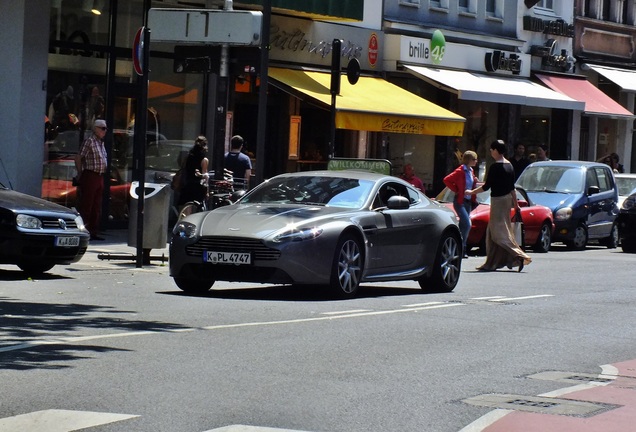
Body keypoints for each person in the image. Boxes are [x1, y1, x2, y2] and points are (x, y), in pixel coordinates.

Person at [466, 140, 532, 272]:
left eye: (491, 149)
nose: (490, 151)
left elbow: (486, 186)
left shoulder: (495, 167)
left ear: (496, 150)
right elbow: (512, 188)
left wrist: (471, 192)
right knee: (493, 233)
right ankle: (491, 263)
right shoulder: (510, 165)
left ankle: (519, 256)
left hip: (497, 201)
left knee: (497, 234)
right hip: (506, 201)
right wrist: (516, 204)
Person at [75, 119, 108, 240]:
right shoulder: (89, 141)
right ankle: (82, 230)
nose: (105, 131)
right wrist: (80, 173)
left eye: (106, 128)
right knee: (87, 204)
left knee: (96, 205)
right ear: (96, 129)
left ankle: (93, 231)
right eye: (103, 128)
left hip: (99, 176)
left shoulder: (101, 143)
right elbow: (78, 157)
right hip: (90, 175)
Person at [443, 150, 479, 258]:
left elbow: (470, 184)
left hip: (468, 201)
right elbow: (446, 180)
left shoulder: (471, 171)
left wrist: (475, 181)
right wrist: (457, 190)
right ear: (468, 160)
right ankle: (462, 247)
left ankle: (457, 247)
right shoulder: (460, 170)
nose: (476, 161)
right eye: (474, 159)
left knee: (463, 225)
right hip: (460, 201)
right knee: (467, 224)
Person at [178, 136, 209, 206]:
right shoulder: (204, 160)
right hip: (198, 187)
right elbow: (205, 177)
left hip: (187, 184)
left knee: (186, 206)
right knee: (197, 206)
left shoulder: (188, 157)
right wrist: (207, 191)